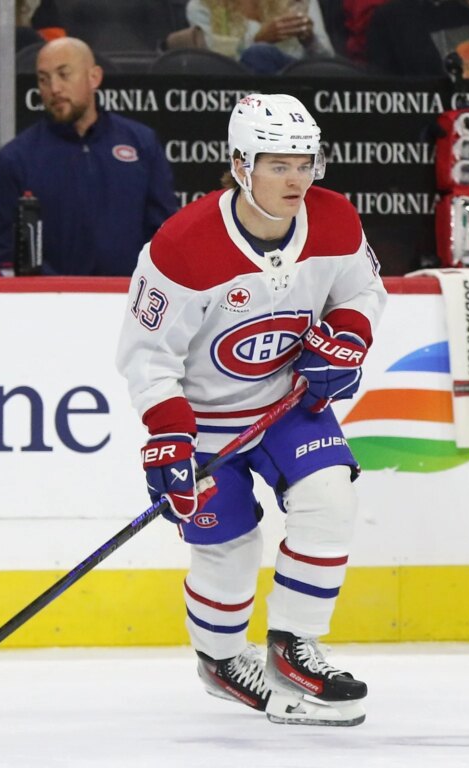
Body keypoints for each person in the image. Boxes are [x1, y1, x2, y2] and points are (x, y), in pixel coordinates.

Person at [115, 94, 387, 725]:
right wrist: (169, 436)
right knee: (229, 546)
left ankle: (294, 646)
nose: (297, 180)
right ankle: (220, 661)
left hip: (289, 403)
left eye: (305, 163)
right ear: (241, 166)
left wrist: (348, 334)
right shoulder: (182, 246)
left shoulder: (335, 219)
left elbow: (363, 291)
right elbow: (147, 357)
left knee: (330, 497)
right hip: (206, 422)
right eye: (279, 165)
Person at [0, 38, 177, 275]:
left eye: (63, 75)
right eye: (43, 79)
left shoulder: (141, 143)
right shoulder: (16, 158)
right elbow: (5, 246)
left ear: (94, 77)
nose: (54, 88)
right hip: (50, 296)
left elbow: (164, 231)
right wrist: (55, 289)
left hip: (129, 293)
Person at [186, 0, 334, 74]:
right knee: (259, 53)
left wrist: (309, 40)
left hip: (298, 86)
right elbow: (215, 68)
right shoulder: (203, 6)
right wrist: (257, 40)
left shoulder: (298, 1)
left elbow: (329, 63)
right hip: (238, 90)